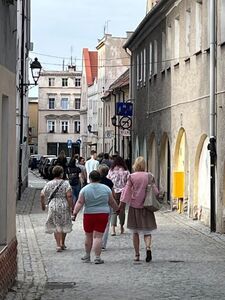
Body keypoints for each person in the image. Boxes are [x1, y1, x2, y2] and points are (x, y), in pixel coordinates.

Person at [119, 156, 163, 263]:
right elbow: (156, 192)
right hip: (147, 206)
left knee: (135, 232)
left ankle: (137, 254)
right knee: (147, 231)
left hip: (135, 206)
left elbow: (126, 192)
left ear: (135, 165)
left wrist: (122, 204)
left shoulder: (132, 177)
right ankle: (148, 248)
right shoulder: (149, 176)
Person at [72, 170, 119, 264]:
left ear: (90, 178)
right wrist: (117, 209)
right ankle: (97, 257)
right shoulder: (106, 188)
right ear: (99, 178)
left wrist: (75, 213)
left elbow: (80, 202)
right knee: (98, 236)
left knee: (88, 235)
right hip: (102, 214)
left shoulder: (85, 189)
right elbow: (111, 201)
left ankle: (87, 255)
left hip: (89, 214)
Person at [40, 166, 73, 252]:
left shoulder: (49, 183)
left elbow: (42, 194)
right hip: (63, 205)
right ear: (61, 173)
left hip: (53, 205)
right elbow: (69, 196)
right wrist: (71, 206)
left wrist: (43, 205)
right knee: (64, 224)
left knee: (56, 225)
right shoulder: (66, 183)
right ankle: (62, 243)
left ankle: (58, 245)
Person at [107, 156, 130, 236]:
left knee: (114, 210)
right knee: (122, 210)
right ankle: (121, 227)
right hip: (123, 192)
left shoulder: (111, 171)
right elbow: (129, 182)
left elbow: (108, 180)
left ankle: (113, 229)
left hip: (113, 192)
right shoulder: (126, 171)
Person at [98, 164, 114, 250]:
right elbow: (112, 195)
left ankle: (96, 241)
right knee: (106, 224)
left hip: (97, 204)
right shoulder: (109, 182)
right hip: (107, 204)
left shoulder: (96, 182)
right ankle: (103, 243)